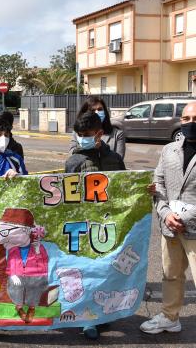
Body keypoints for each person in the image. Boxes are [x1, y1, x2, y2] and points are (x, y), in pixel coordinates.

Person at [65, 112, 125, 340]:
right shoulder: (74, 161)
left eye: (87, 135)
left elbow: (124, 187)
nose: (82, 139)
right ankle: (87, 318)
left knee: (106, 270)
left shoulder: (114, 159)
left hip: (109, 224)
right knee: (85, 271)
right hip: (83, 225)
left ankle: (104, 313)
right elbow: (66, 195)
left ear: (99, 134)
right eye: (79, 135)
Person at [140, 101, 196, 335]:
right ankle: (170, 317)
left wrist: (189, 214)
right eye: (186, 119)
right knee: (171, 274)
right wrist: (165, 213)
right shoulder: (168, 150)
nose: (191, 123)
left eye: (195, 118)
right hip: (170, 225)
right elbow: (158, 184)